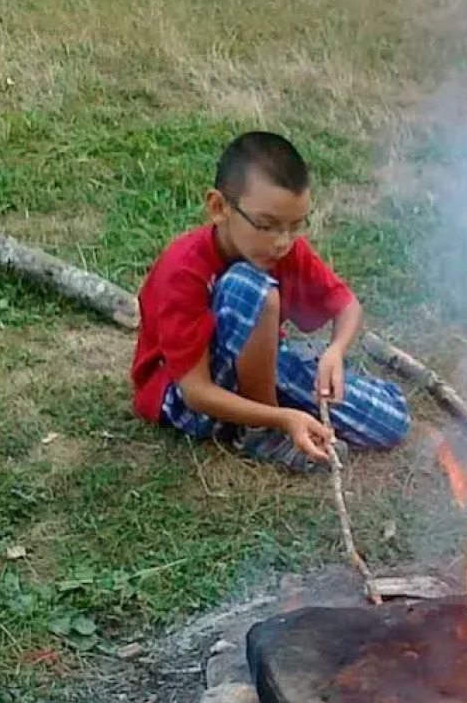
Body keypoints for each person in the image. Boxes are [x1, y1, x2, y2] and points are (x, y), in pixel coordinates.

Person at [130, 131, 410, 470]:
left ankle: (282, 397)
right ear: (219, 208)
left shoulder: (284, 248)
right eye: (267, 225)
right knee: (250, 287)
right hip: (184, 400)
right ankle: (260, 430)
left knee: (391, 420)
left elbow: (346, 305)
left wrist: (335, 352)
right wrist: (281, 418)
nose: (282, 242)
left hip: (259, 369)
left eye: (295, 226)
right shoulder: (184, 270)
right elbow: (196, 392)